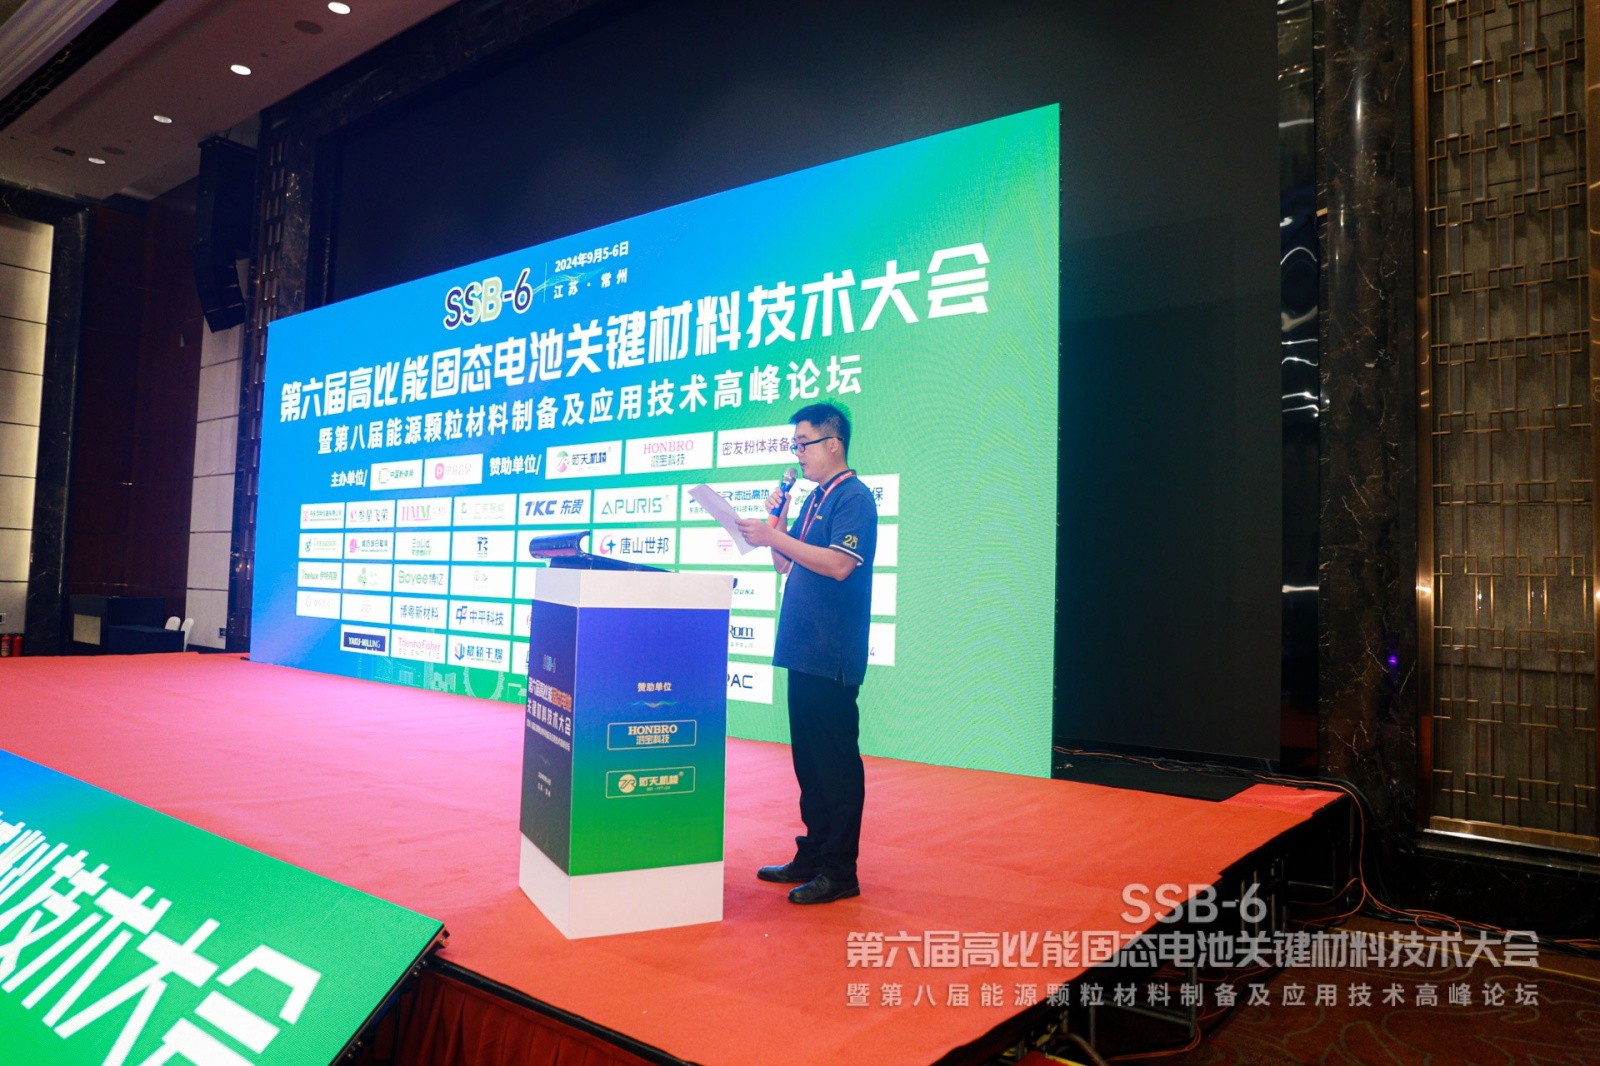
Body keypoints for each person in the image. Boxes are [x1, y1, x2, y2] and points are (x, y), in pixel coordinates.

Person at [736, 402, 878, 904]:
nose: (797, 453)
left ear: (832, 444)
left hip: (831, 652)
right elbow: (782, 563)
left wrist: (775, 535)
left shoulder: (853, 497)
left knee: (834, 765)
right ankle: (813, 854)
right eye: (795, 445)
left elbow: (839, 564)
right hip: (803, 649)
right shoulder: (816, 497)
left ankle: (840, 871)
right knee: (810, 765)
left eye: (804, 444)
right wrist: (775, 520)